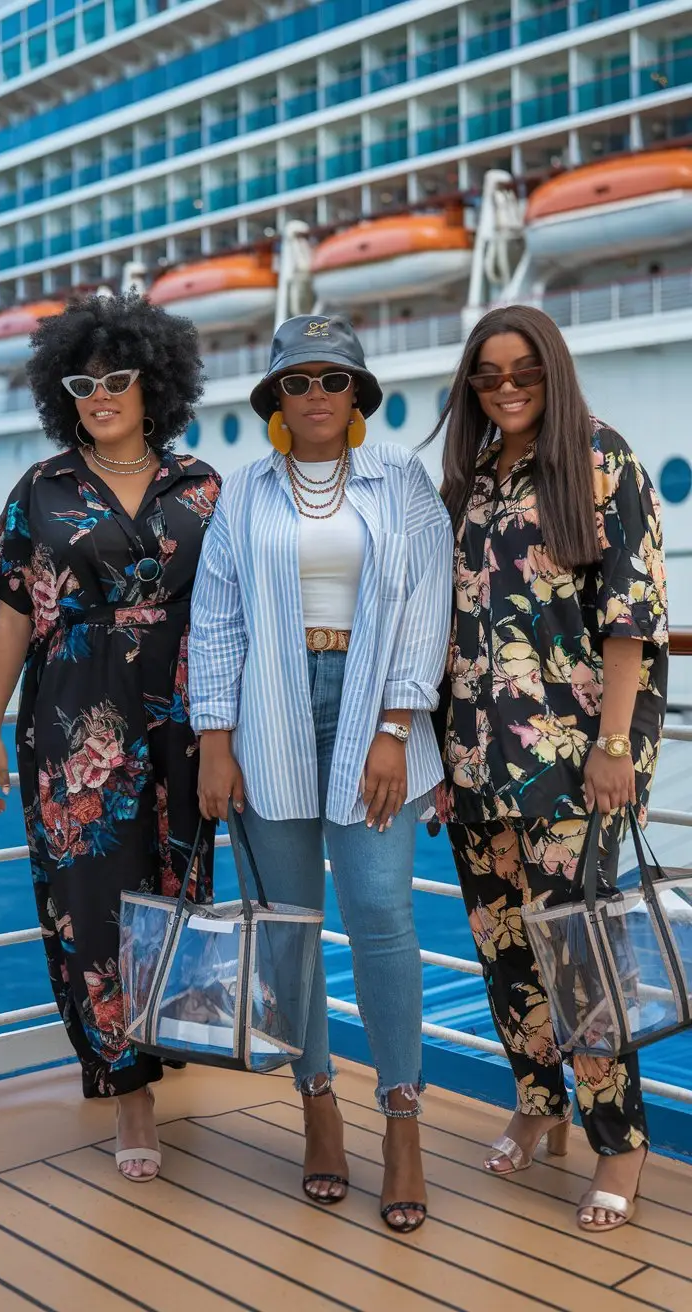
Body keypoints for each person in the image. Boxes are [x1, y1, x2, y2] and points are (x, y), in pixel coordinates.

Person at [189, 313, 452, 1234]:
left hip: (375, 703)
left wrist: (396, 725)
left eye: (333, 379)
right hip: (269, 707)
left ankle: (403, 1121)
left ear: (357, 394)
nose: (315, 395)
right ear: (275, 397)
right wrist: (214, 738)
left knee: (382, 914)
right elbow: (216, 620)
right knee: (290, 927)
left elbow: (426, 607)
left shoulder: (401, 478)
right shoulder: (246, 492)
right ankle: (317, 1106)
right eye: (296, 381)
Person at [0, 293, 220, 1183]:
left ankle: (166, 1040)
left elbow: (232, 613)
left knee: (176, 887)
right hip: (77, 724)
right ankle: (128, 1093)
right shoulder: (40, 489)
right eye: (82, 384)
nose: (101, 395)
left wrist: (232, 736)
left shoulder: (203, 486)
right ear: (62, 395)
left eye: (117, 378)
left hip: (185, 724)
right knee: (94, 899)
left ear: (155, 382)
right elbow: (13, 613)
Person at [432, 304, 667, 1232]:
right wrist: (436, 754)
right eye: (488, 375)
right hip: (475, 758)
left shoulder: (602, 458)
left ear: (552, 370)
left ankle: (621, 1142)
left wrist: (614, 747)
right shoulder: (471, 478)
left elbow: (630, 615)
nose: (507, 387)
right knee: (504, 949)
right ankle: (539, 1104)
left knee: (580, 957)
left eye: (523, 370)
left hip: (573, 762)